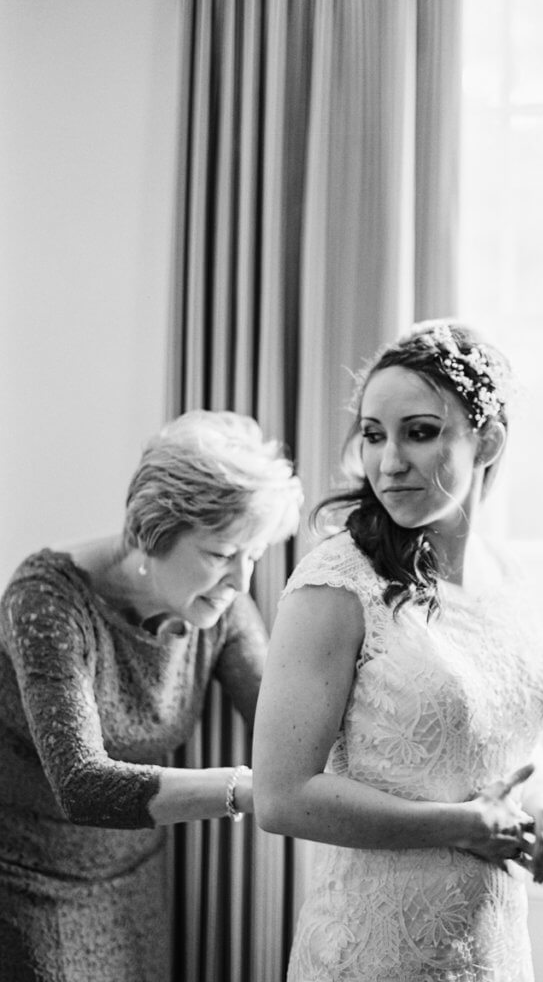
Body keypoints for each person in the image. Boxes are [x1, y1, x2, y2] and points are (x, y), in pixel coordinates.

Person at [252, 320, 543, 982]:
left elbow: (501, 730)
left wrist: (541, 800)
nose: (388, 462)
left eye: (419, 432)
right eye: (373, 435)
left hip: (490, 942)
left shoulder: (504, 573)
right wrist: (458, 825)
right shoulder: (335, 583)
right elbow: (282, 797)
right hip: (373, 950)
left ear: (487, 438)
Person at [0, 410, 303, 982]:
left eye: (254, 555)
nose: (241, 580)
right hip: (26, 886)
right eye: (219, 555)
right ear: (149, 533)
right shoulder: (45, 602)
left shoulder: (222, 607)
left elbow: (283, 724)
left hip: (136, 881)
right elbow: (83, 786)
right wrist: (252, 791)